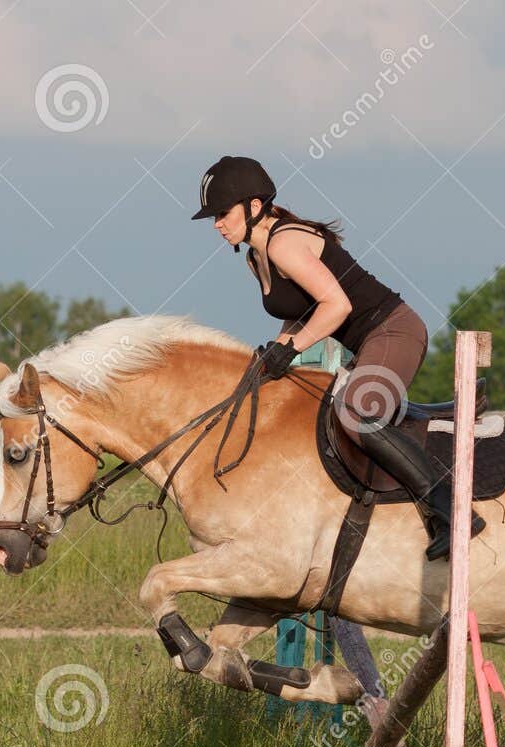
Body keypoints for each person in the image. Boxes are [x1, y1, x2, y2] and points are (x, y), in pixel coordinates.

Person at [192, 155, 483, 560]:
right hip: (365, 343)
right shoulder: (255, 257)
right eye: (214, 217)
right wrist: (269, 358)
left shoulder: (283, 243)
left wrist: (289, 350)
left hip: (394, 330)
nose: (217, 224)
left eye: (223, 213)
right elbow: (297, 313)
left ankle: (450, 511)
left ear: (254, 206)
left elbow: (336, 306)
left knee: (356, 411)